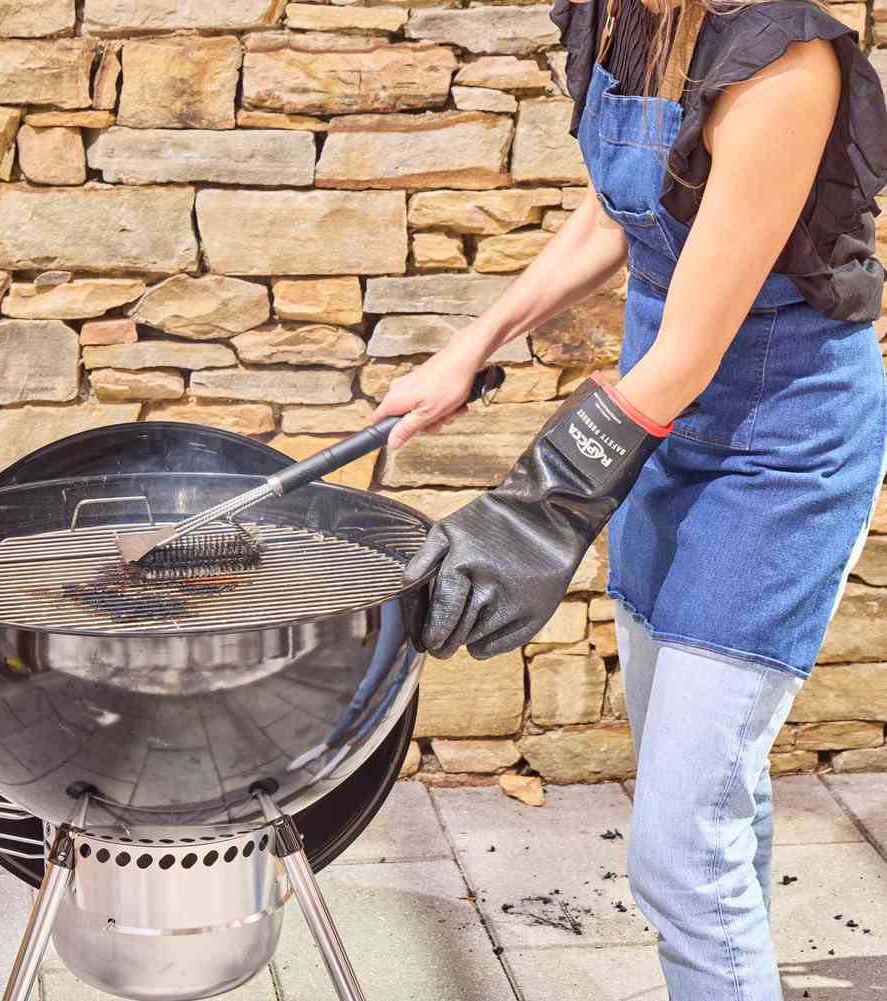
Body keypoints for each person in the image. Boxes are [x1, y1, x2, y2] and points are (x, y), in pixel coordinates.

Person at [372, 0, 887, 996]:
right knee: (707, 799)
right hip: (654, 421)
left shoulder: (784, 62)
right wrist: (467, 345)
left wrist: (529, 509)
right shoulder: (623, 14)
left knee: (678, 849)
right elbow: (623, 203)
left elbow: (692, 352)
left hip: (773, 452)